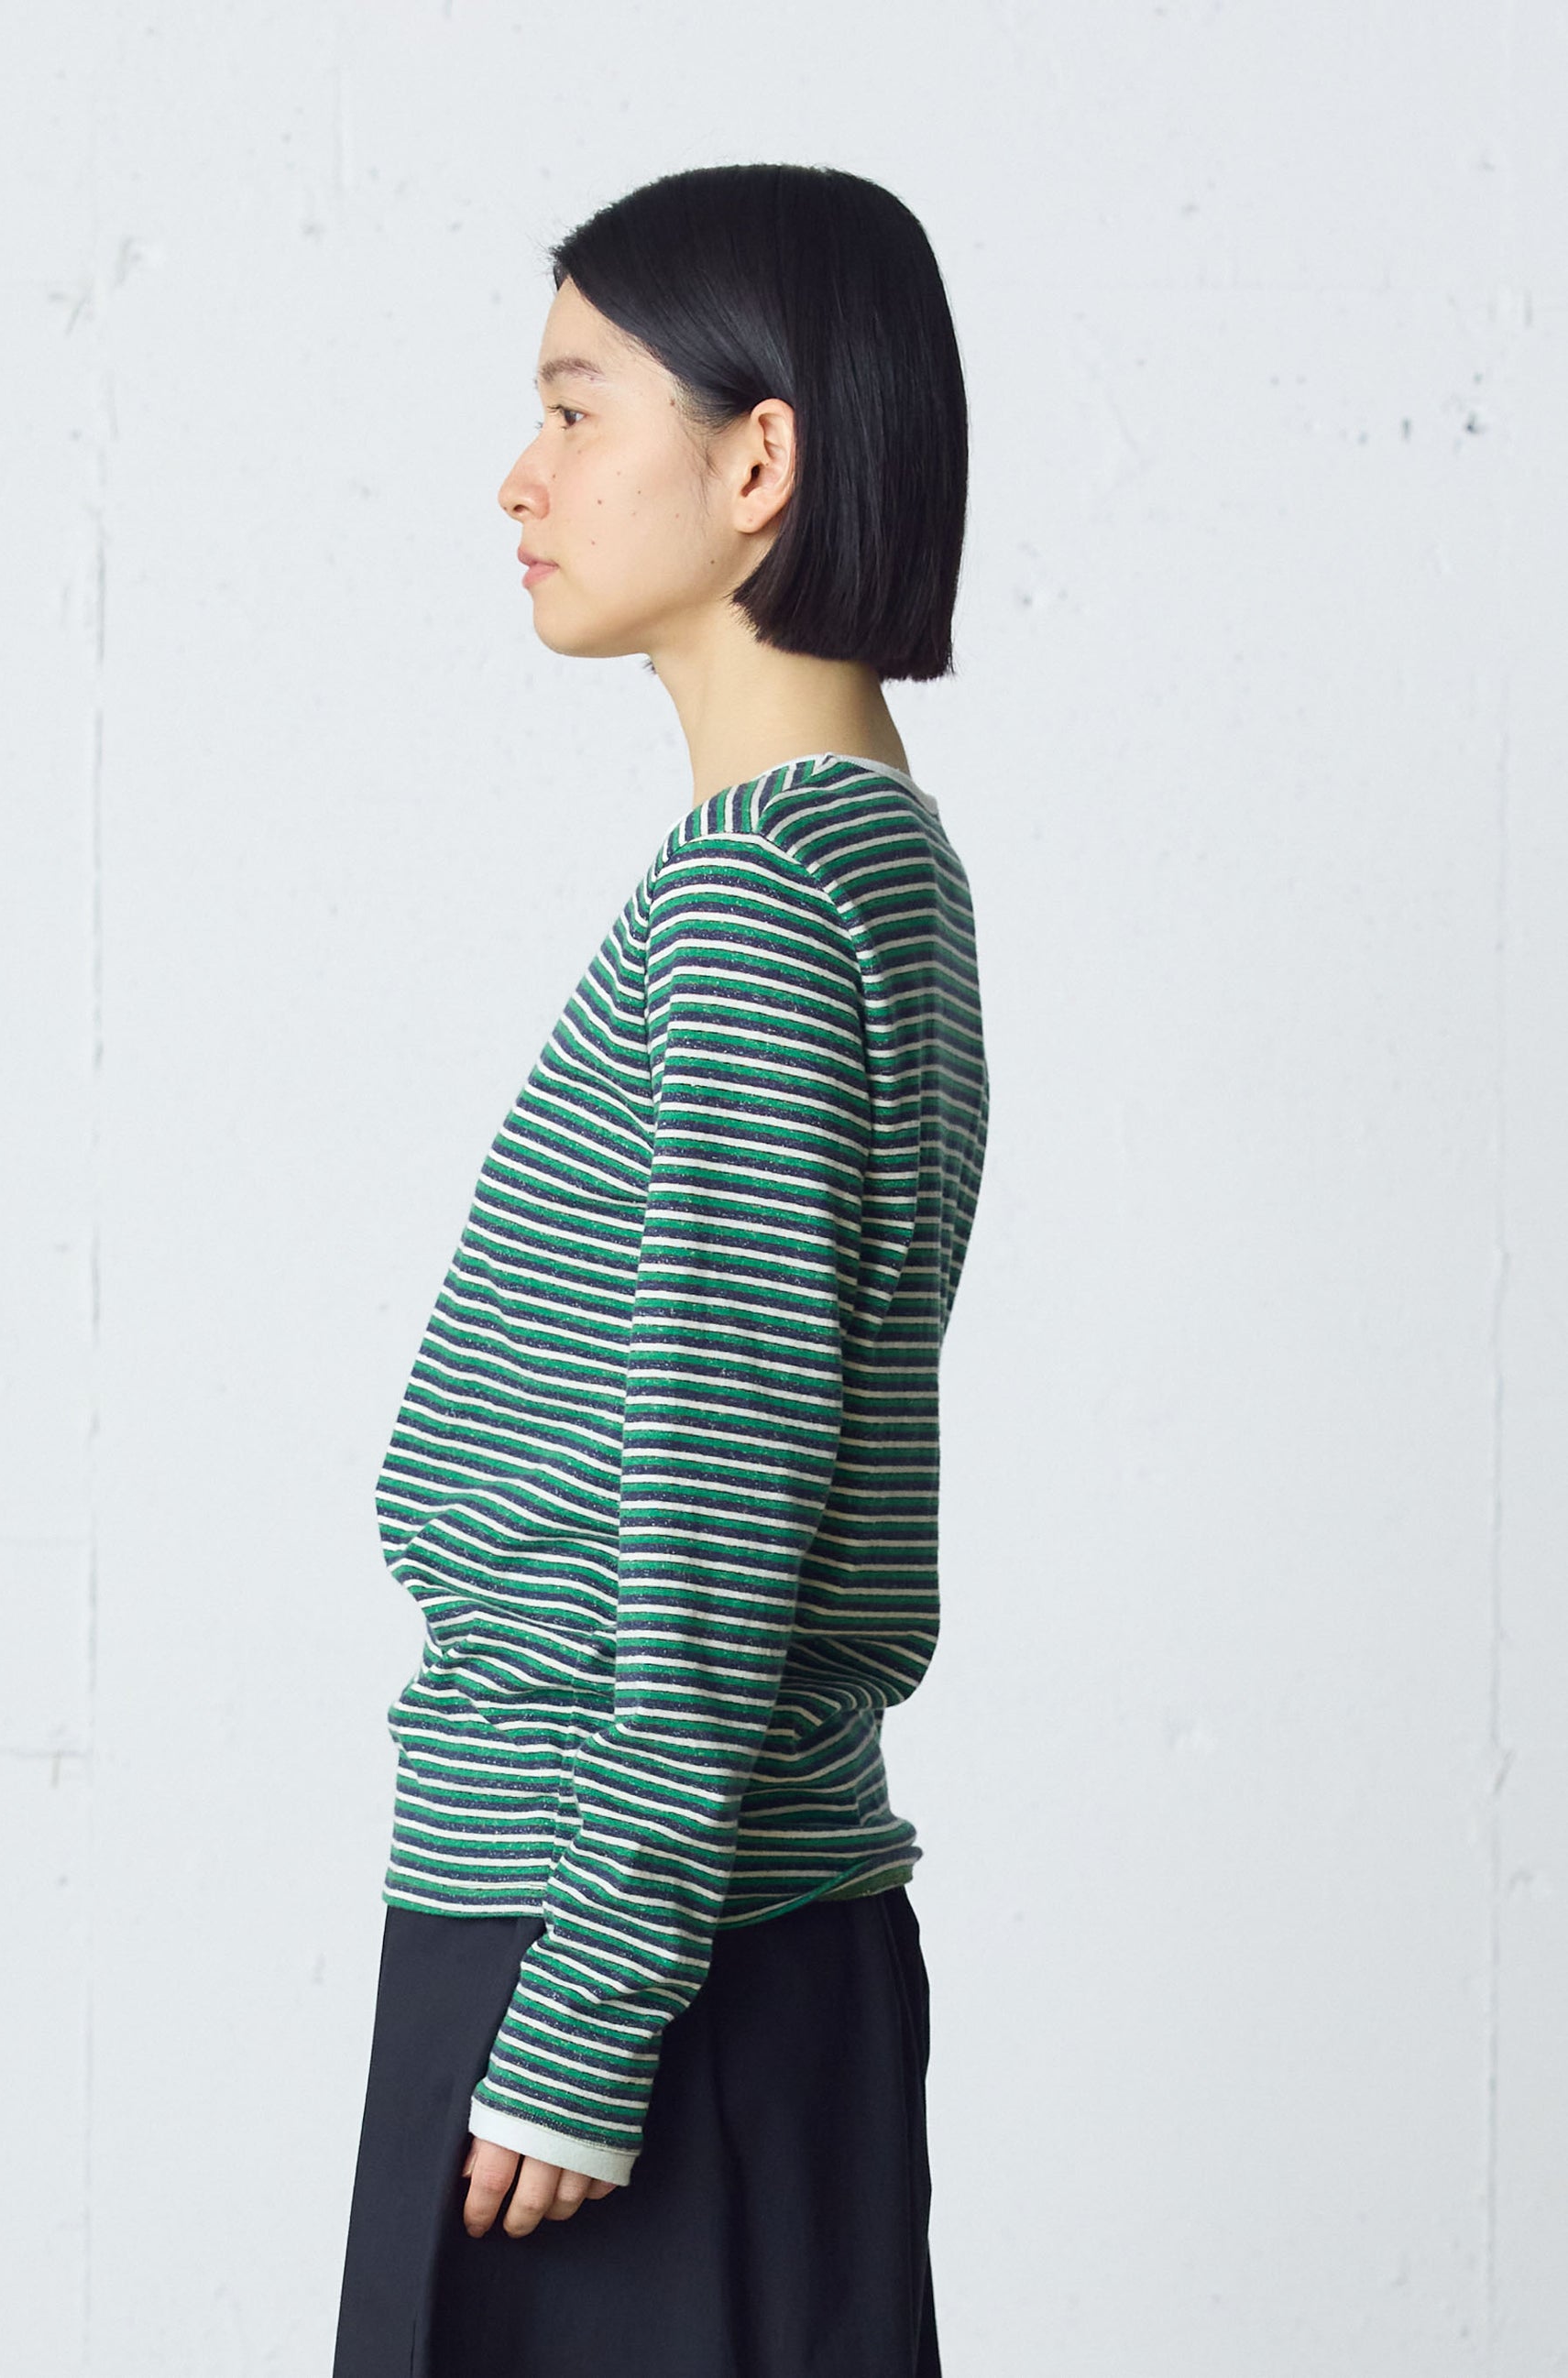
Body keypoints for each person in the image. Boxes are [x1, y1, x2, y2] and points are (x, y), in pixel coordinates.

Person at [332, 160, 991, 2378]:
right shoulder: (875, 862)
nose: (517, 478)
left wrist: (588, 2010)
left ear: (758, 458)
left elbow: (715, 1493)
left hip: (618, 1946)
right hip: (732, 1934)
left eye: (571, 407)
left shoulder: (755, 896)